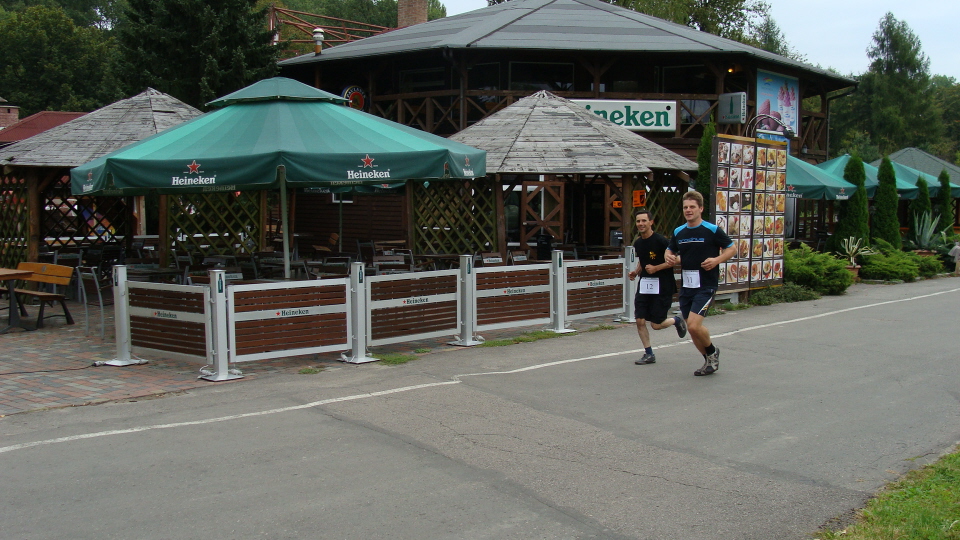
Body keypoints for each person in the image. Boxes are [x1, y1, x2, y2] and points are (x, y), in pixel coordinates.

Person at [665, 191, 735, 376]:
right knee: (692, 328)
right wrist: (669, 256)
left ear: (701, 209)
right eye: (685, 207)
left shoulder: (711, 230)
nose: (688, 210)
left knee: (694, 325)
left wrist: (716, 260)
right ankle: (709, 360)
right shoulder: (679, 231)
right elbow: (670, 250)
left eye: (692, 207)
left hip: (705, 284)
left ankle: (712, 353)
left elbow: (732, 248)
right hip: (687, 285)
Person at [627, 210, 686, 365]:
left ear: (651, 222)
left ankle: (676, 320)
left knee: (656, 324)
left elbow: (676, 259)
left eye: (644, 221)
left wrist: (656, 268)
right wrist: (635, 272)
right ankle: (649, 354)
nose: (640, 224)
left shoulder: (661, 241)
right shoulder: (638, 243)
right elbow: (643, 261)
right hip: (645, 285)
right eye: (638, 221)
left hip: (662, 285)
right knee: (640, 320)